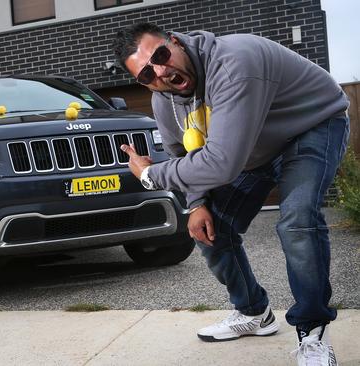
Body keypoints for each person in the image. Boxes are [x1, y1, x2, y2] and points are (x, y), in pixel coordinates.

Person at [112, 22, 349, 365]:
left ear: (175, 42)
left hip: (311, 125)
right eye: (148, 74)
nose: (161, 72)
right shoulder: (163, 100)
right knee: (209, 228)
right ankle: (254, 313)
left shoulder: (234, 61)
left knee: (297, 220)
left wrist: (150, 174)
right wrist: (195, 204)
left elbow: (221, 163)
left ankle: (312, 332)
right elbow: (180, 154)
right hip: (253, 149)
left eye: (161, 55)